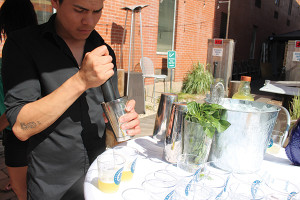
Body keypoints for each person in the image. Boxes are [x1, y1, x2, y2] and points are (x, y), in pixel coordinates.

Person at [1, 0, 141, 199]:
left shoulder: (103, 50)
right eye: (79, 10)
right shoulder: (22, 44)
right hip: (52, 186)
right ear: (55, 2)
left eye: (97, 11)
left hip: (100, 178)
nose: (89, 21)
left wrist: (124, 122)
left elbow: (109, 119)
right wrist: (81, 81)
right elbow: (21, 127)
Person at [0, 0, 38, 199]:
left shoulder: (12, 50)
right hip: (42, 129)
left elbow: (16, 108)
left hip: (17, 132)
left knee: (22, 190)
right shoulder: (43, 47)